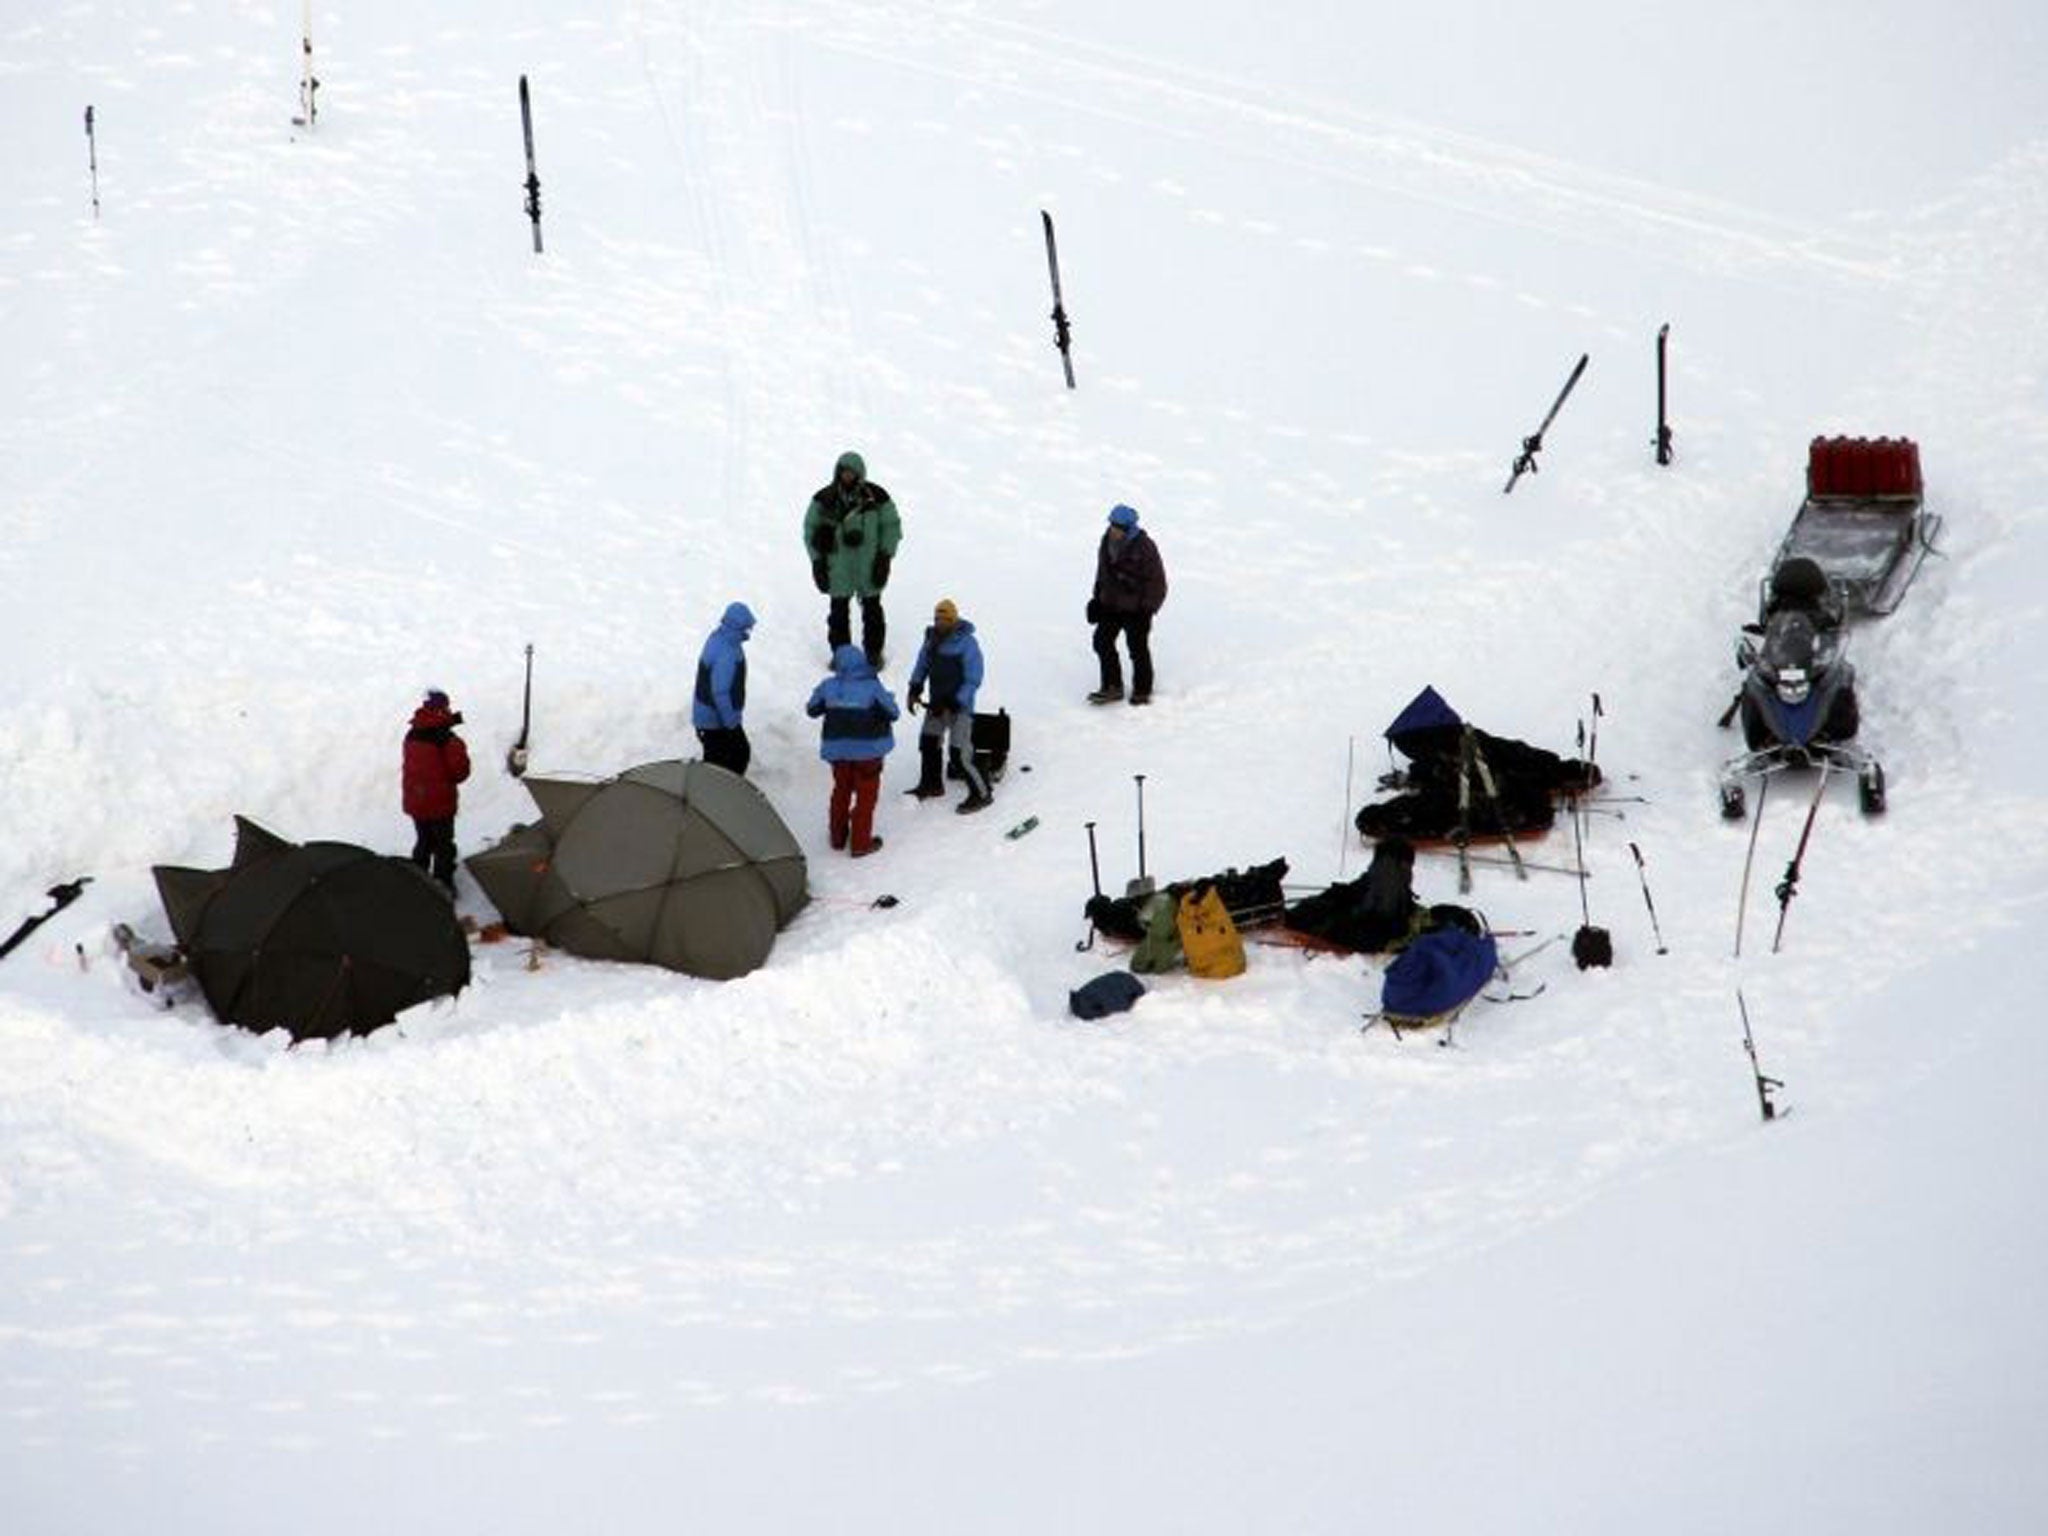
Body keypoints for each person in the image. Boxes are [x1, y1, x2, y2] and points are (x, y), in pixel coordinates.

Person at [802, 450, 901, 667]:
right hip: (838, 565)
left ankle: (874, 653)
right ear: (838, 472)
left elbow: (891, 526)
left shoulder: (877, 497)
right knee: (838, 612)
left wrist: (885, 556)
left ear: (860, 474)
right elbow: (810, 529)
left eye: (852, 472)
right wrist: (817, 561)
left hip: (869, 564)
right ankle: (841, 655)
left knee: (873, 610)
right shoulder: (823, 499)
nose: (847, 476)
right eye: (844, 472)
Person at [805, 644, 900, 857]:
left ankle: (837, 838)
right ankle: (860, 844)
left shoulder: (828, 686)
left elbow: (811, 709)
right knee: (866, 797)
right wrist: (889, 699)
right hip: (869, 753)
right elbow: (893, 713)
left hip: (838, 753)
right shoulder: (872, 687)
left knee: (841, 791)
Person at [904, 597, 991, 814]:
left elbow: (974, 677)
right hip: (936, 705)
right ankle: (931, 784)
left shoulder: (967, 643)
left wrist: (957, 700)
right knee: (928, 742)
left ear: (953, 620)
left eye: (944, 619)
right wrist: (915, 688)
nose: (940, 623)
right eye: (937, 619)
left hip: (959, 707)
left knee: (959, 753)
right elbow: (922, 665)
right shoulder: (931, 640)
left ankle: (982, 793)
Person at [1087, 502, 1167, 705]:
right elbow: (1102, 573)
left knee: (1137, 648)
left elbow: (1157, 582)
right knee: (1102, 641)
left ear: (1128, 528)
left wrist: (1147, 608)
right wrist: (1097, 599)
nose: (1113, 530)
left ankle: (1142, 689)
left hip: (1136, 608)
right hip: (1112, 605)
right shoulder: (1106, 541)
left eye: (1118, 527)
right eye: (1112, 525)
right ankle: (1112, 686)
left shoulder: (1145, 547)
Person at [402, 688, 471, 893]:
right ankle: (443, 884)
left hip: (416, 800)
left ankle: (417, 880)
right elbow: (460, 773)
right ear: (443, 708)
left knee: (423, 841)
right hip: (440, 804)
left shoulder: (412, 732)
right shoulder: (447, 740)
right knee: (443, 846)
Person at [693, 600, 755, 776]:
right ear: (737, 627)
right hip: (714, 721)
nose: (748, 632)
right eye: (746, 628)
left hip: (710, 719)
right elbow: (720, 692)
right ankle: (721, 796)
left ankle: (722, 794)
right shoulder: (726, 652)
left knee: (725, 761)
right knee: (732, 759)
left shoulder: (720, 638)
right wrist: (731, 723)